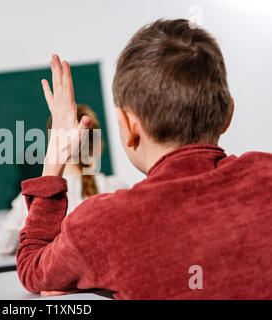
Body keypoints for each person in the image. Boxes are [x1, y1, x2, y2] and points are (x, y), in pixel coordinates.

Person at [16, 19, 272, 299]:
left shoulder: (103, 225)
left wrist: (55, 155)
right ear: (228, 114)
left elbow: (33, 269)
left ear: (128, 126)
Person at [0, 105, 128, 255]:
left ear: (53, 147)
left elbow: (1, 247)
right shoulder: (116, 188)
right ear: (99, 146)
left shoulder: (36, 197)